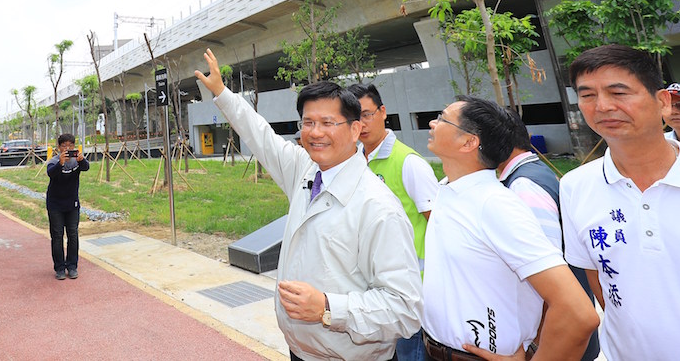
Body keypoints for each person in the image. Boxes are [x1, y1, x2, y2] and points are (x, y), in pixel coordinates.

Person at [195, 49, 421, 361]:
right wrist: (221, 93)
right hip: (301, 353)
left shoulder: (378, 207)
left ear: (355, 130)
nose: (315, 132)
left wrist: (328, 308)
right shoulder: (305, 171)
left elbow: (405, 309)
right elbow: (261, 135)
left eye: (328, 122)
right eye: (308, 122)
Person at [560, 45, 680, 359]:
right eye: (587, 95)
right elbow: (599, 279)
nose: (602, 106)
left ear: (662, 101)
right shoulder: (575, 186)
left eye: (619, 92)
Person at [423, 96, 598, 361]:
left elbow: (578, 312)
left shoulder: (495, 205)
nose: (432, 123)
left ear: (469, 142)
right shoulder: (448, 190)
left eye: (442, 118)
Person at [495, 110, 600, 361]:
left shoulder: (524, 186)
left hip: (554, 343)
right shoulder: (530, 173)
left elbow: (543, 275)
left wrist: (537, 347)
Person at [346, 83, 437, 361]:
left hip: (410, 294)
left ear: (383, 111)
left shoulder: (409, 163)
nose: (361, 125)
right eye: (354, 118)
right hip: (373, 294)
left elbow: (439, 226)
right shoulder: (355, 162)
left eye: (366, 115)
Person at [45, 133, 89, 280]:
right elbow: (51, 173)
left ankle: (72, 266)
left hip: (72, 204)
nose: (68, 148)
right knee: (57, 236)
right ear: (59, 148)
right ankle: (59, 268)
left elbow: (86, 167)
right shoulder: (54, 161)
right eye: (64, 146)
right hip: (55, 204)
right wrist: (61, 164)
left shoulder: (77, 161)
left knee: (73, 234)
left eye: (70, 146)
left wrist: (81, 160)